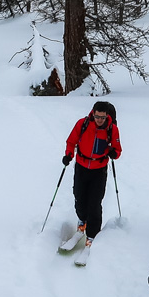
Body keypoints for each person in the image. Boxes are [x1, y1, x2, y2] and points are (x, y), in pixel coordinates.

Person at [61, 101, 121, 249]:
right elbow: (71, 141)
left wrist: (114, 153)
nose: (99, 120)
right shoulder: (83, 124)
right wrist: (68, 155)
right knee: (79, 197)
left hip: (99, 170)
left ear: (107, 116)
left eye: (102, 117)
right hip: (81, 167)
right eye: (97, 116)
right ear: (93, 113)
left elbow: (117, 148)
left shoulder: (112, 129)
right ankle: (82, 221)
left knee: (94, 204)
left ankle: (92, 235)